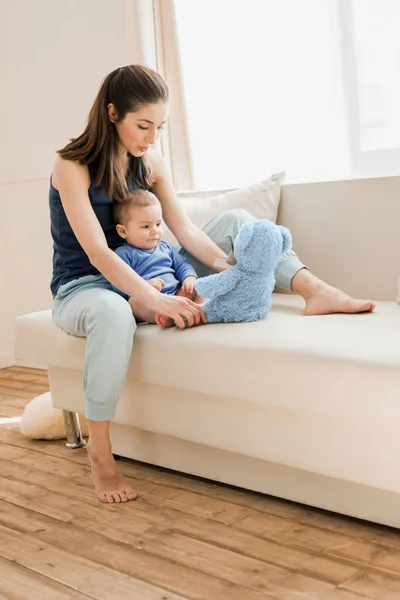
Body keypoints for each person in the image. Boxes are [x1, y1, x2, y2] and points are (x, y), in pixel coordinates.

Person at [50, 64, 374, 504]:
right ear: (112, 113)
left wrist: (228, 266)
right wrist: (151, 299)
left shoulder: (151, 162)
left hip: (156, 270)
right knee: (113, 312)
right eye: (142, 125)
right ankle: (101, 455)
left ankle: (313, 288)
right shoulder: (72, 165)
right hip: (89, 285)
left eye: (159, 127)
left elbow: (185, 232)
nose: (150, 138)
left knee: (240, 224)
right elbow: (98, 253)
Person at [112, 188, 202, 328]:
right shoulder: (123, 254)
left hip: (178, 296)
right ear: (123, 231)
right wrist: (144, 286)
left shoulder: (166, 247)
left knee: (200, 286)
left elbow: (183, 265)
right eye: (146, 226)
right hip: (150, 301)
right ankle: (171, 316)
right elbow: (118, 284)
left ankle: (200, 309)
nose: (155, 231)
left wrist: (189, 278)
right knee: (134, 303)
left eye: (158, 224)